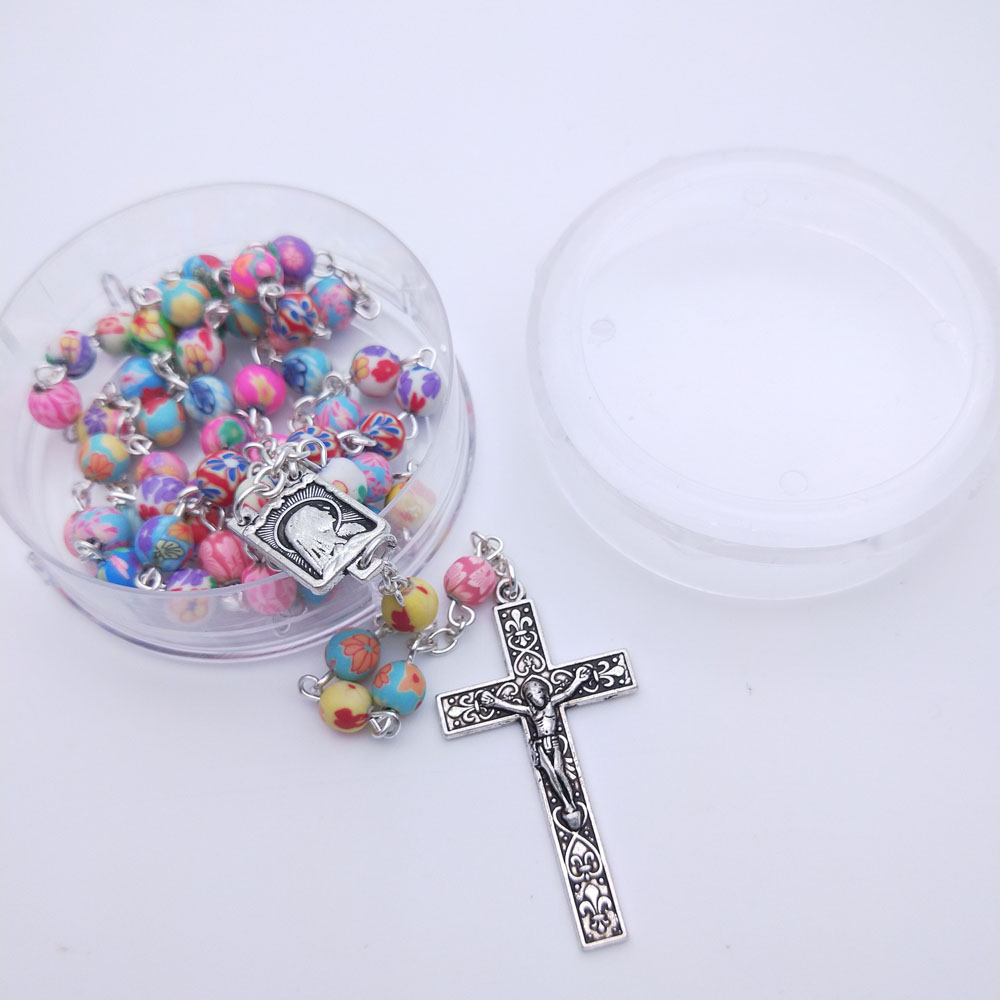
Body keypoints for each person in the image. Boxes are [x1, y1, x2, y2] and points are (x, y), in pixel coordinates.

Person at [479, 664, 592, 830]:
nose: (535, 697)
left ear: (545, 692)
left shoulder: (551, 704)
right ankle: (566, 804)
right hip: (540, 745)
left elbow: (567, 693)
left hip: (553, 742)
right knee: (550, 773)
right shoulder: (530, 711)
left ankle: (572, 804)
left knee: (559, 770)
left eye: (538, 692)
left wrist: (578, 680)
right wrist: (495, 702)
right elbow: (511, 707)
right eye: (530, 695)